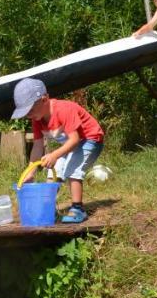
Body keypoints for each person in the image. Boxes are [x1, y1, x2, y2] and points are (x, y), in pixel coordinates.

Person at [10, 78, 104, 225]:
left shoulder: (64, 109)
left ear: (44, 99)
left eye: (30, 110)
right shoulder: (37, 118)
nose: (28, 115)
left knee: (73, 169)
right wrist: (31, 171)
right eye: (25, 113)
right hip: (71, 143)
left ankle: (78, 208)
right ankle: (48, 207)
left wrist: (54, 154)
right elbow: (37, 146)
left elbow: (75, 139)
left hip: (90, 139)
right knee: (53, 170)